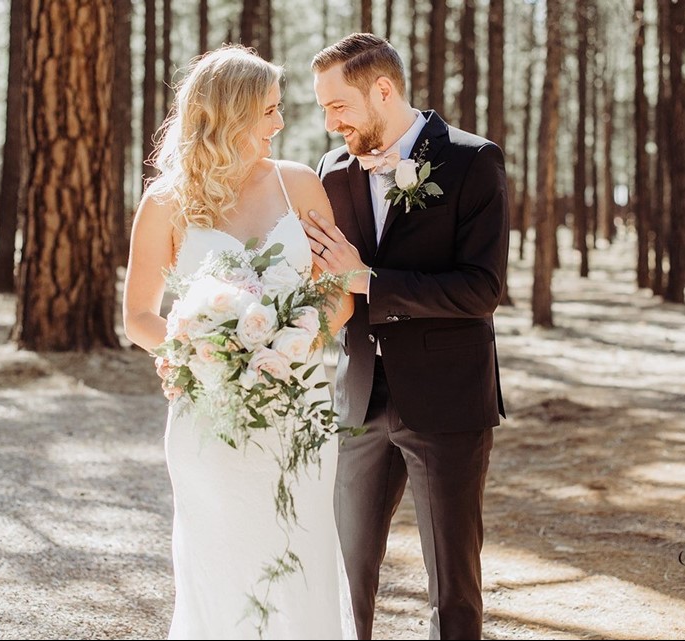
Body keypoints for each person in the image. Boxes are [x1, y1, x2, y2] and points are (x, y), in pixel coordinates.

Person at [121, 46, 355, 639]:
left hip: (298, 405)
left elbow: (341, 293)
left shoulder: (299, 183)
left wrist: (290, 346)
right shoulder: (166, 202)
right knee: (220, 559)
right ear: (229, 114)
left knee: (301, 552)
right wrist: (196, 354)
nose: (281, 124)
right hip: (210, 411)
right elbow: (139, 317)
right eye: (269, 111)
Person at [304, 33, 510, 640]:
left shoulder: (474, 161)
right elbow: (326, 285)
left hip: (447, 403)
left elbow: (481, 290)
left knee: (452, 584)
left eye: (337, 106)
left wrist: (370, 281)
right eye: (322, 109)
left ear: (383, 91)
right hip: (358, 398)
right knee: (344, 575)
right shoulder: (333, 170)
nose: (328, 123)